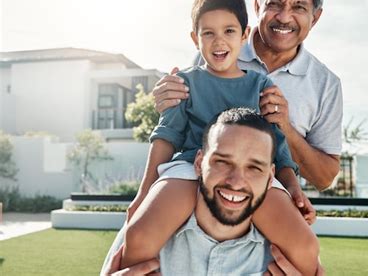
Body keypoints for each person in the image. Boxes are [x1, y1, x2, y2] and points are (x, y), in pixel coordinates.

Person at [120, 0, 318, 275]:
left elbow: (278, 145)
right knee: (138, 235)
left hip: (251, 172)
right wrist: (142, 194)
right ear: (194, 38)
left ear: (244, 34)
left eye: (228, 31)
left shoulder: (261, 86)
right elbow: (166, 136)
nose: (218, 41)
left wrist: (293, 189)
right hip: (189, 167)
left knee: (305, 246)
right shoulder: (183, 82)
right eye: (208, 33)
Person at [154, 0, 343, 191]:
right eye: (274, 4)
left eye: (299, 7)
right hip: (202, 190)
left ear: (315, 17)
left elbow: (324, 180)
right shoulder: (218, 51)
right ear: (257, 8)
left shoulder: (326, 85)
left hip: (267, 195)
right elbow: (179, 127)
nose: (284, 17)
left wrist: (284, 127)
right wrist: (168, 100)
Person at [103, 108, 321, 275]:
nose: (236, 182)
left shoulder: (288, 260)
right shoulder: (142, 236)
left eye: (254, 167)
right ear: (198, 163)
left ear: (270, 177)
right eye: (222, 162)